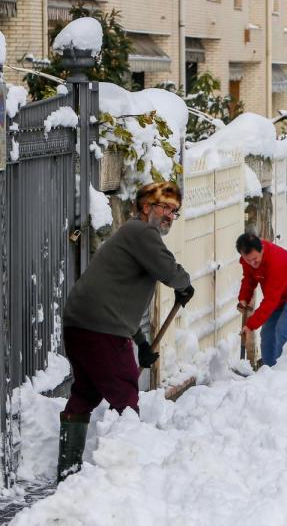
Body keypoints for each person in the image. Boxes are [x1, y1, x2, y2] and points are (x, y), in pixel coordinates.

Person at [57, 182, 194, 482]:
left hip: (82, 324)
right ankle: (124, 479)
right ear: (146, 208)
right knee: (126, 398)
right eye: (165, 207)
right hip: (100, 329)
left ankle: (68, 473)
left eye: (175, 211)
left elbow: (119, 300)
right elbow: (167, 268)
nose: (170, 215)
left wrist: (142, 342)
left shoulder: (133, 236)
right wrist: (184, 284)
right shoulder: (142, 232)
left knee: (85, 393)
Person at [236, 232, 287, 368]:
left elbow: (270, 301)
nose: (252, 263)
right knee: (267, 335)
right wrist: (243, 298)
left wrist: (250, 325)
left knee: (282, 330)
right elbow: (249, 280)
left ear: (262, 249)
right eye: (248, 260)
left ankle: (284, 371)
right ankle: (269, 372)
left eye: (255, 259)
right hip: (278, 297)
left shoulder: (276, 261)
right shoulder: (249, 260)